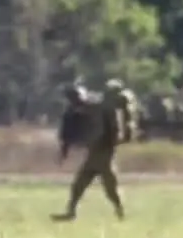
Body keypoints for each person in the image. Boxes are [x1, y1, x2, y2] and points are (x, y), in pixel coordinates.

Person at [52, 81, 127, 222]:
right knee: (80, 185)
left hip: (103, 153)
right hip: (95, 153)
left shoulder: (102, 108)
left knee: (108, 186)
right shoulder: (88, 110)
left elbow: (111, 130)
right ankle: (72, 212)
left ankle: (119, 210)